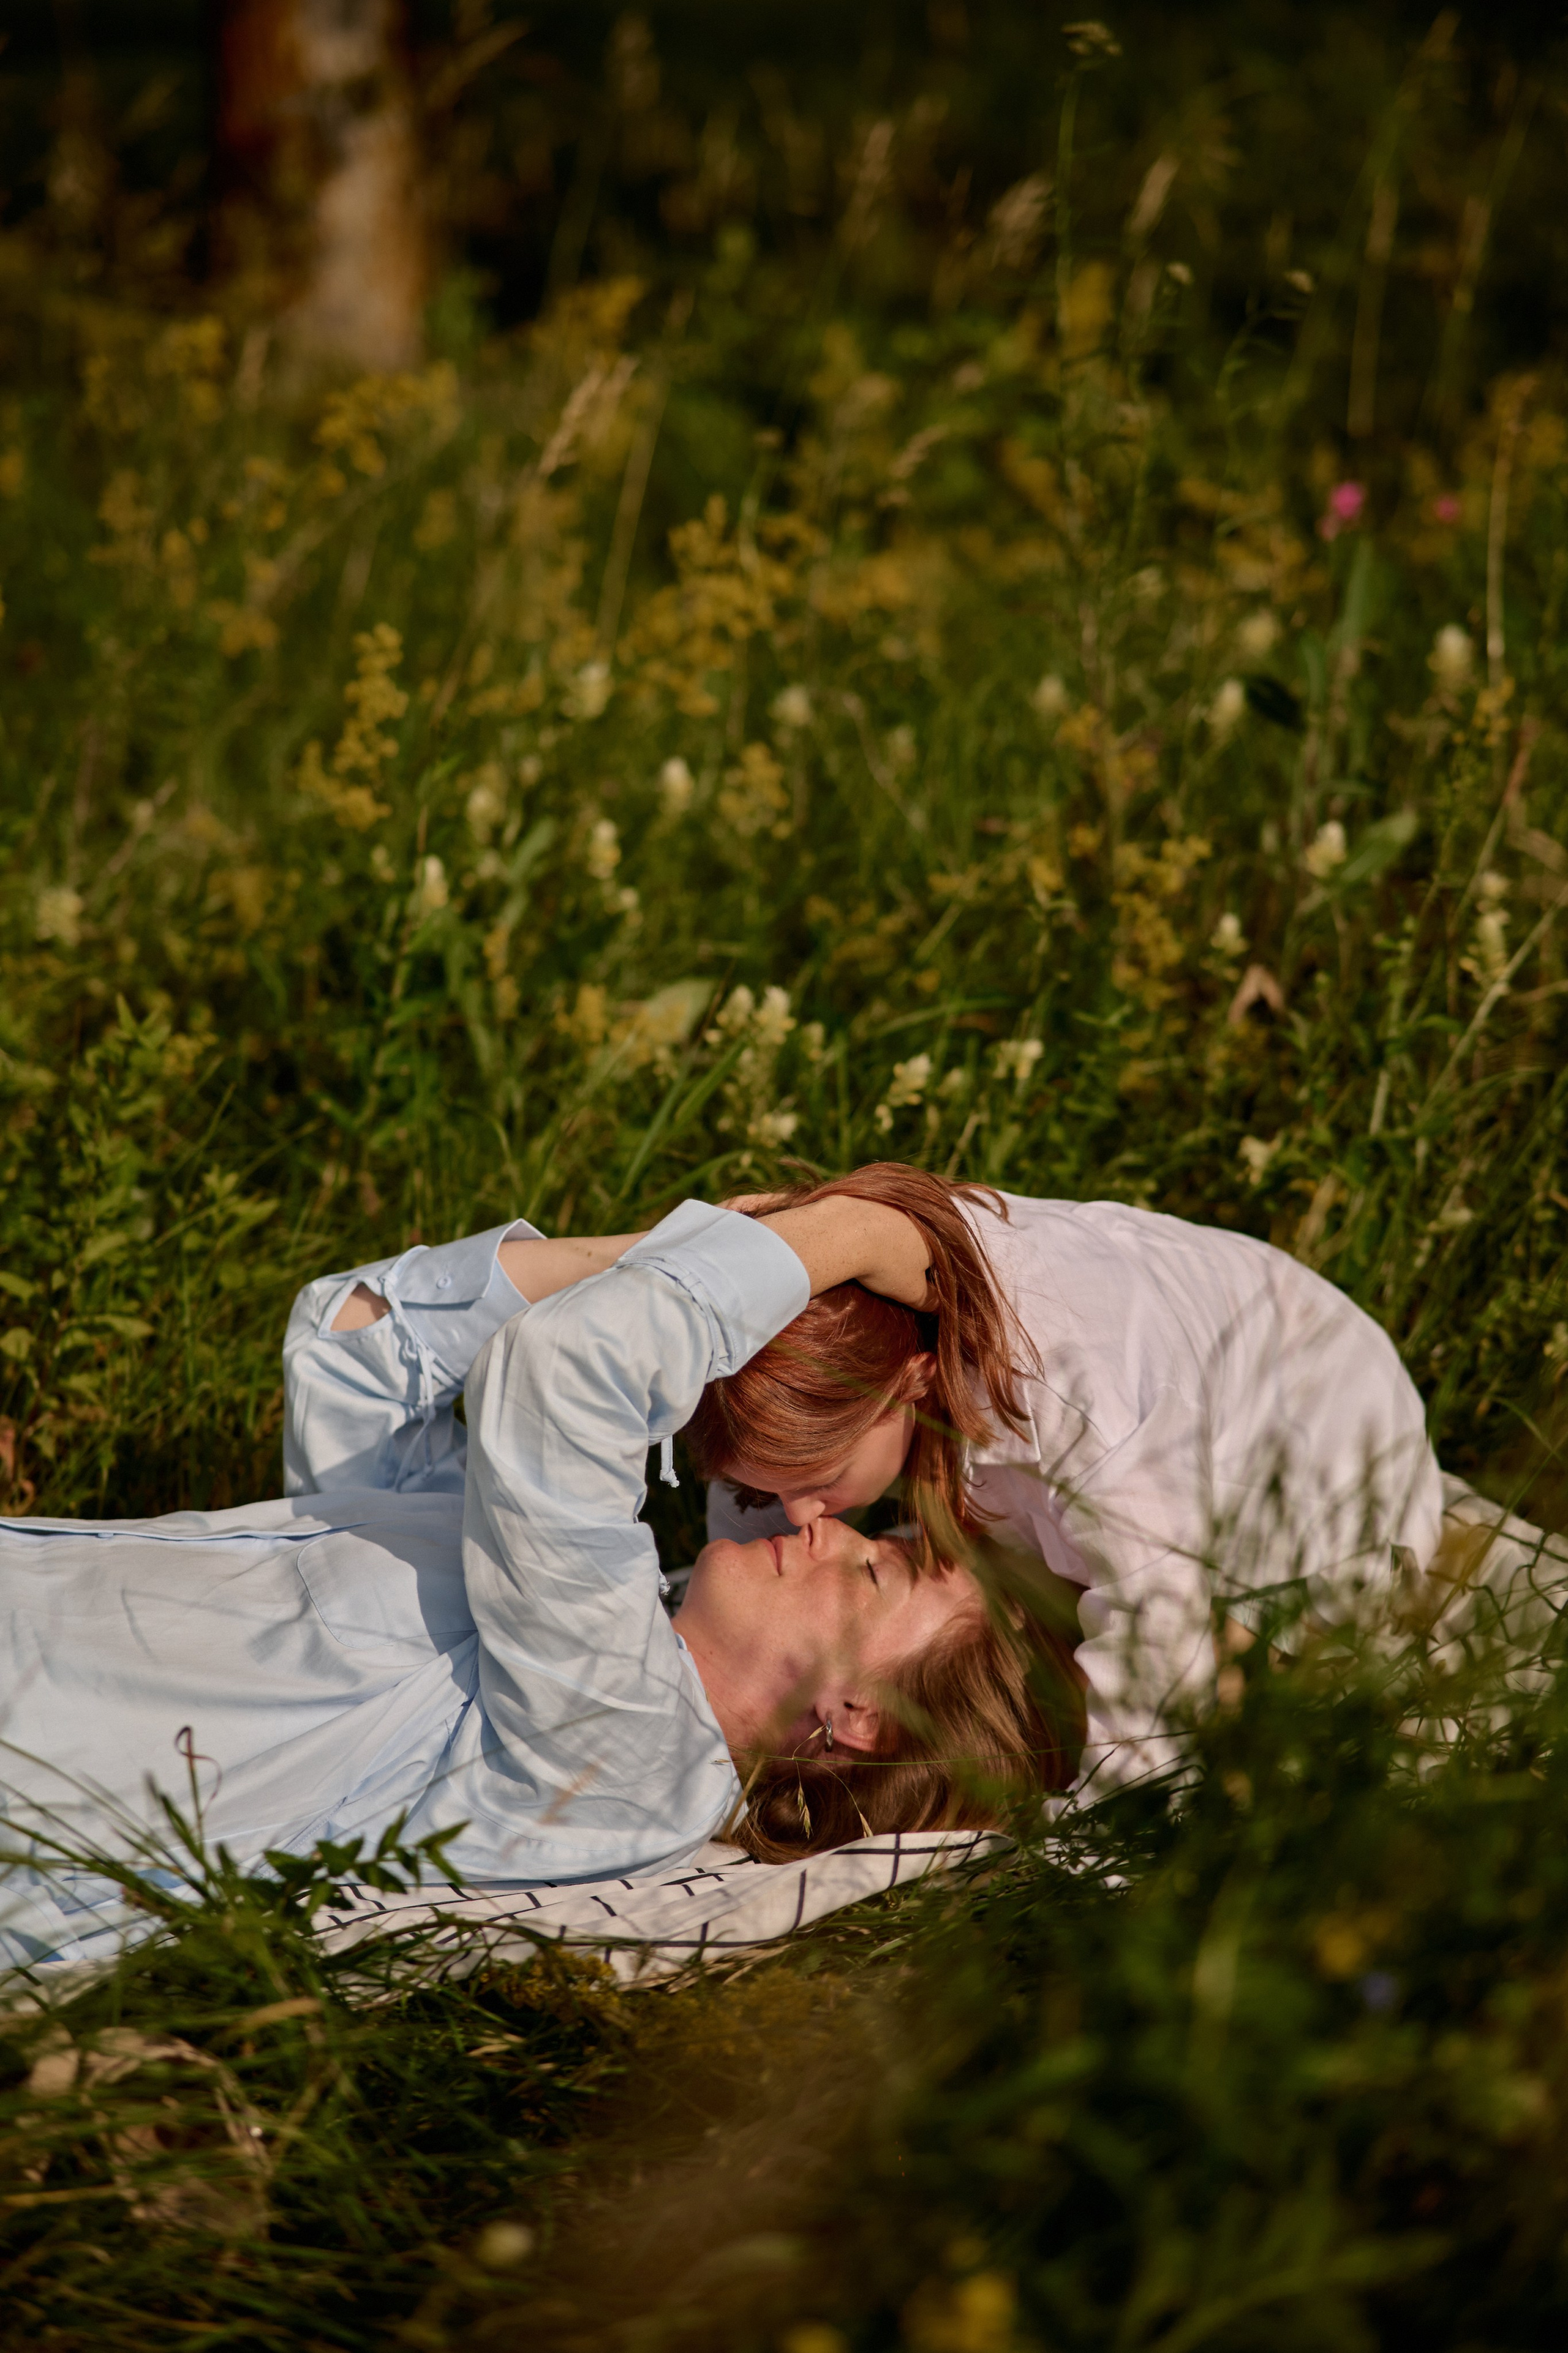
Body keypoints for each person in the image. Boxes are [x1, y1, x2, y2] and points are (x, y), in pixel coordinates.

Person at [0, 1192, 1070, 1973]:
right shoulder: (563, 1608)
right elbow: (363, 1340)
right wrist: (682, 1250)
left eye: (878, 1569)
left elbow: (559, 1379)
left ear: (861, 1719)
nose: (829, 1526)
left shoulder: (643, 1765)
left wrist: (840, 1236)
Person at [690, 1164, 1450, 1793]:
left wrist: (1103, 1824)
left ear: (913, 1383)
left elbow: (1155, 1626)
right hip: (1212, 1387)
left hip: (1317, 1465)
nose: (802, 1515)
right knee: (964, 1602)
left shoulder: (1077, 1402)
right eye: (766, 1489)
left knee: (1202, 1673)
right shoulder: (877, 1323)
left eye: (814, 1478)